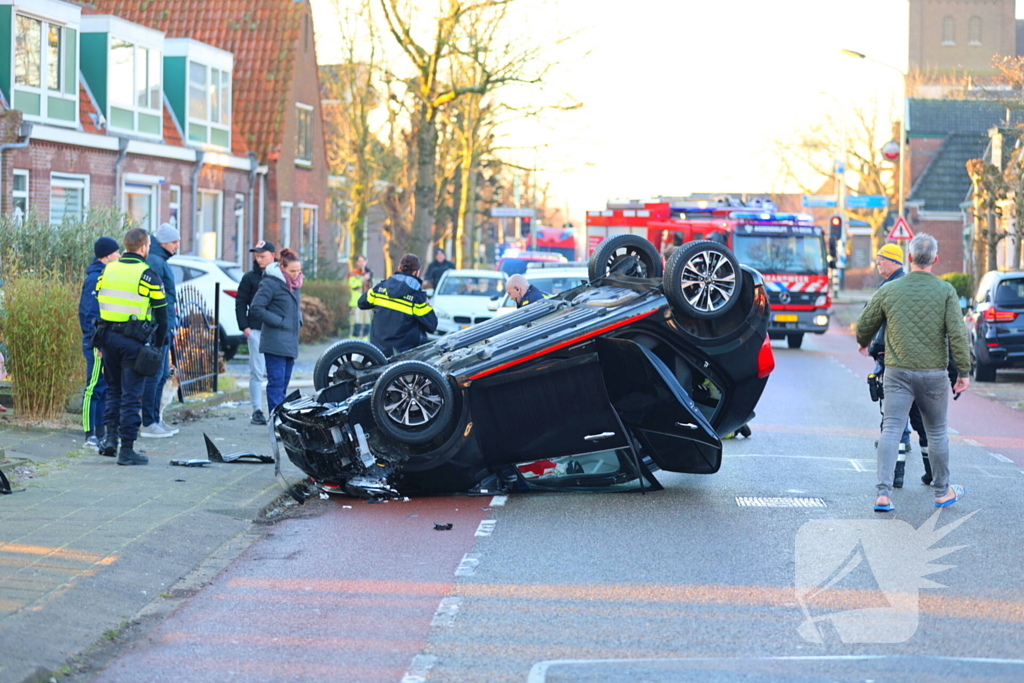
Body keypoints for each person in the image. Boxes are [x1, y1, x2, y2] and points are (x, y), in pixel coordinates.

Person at [855, 233, 971, 512]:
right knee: (937, 431)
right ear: (935, 259)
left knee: (892, 429)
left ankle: (883, 494)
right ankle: (942, 492)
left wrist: (863, 342)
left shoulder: (889, 290)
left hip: (897, 373)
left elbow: (863, 326)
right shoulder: (945, 292)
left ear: (909, 258)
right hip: (933, 375)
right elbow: (957, 334)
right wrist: (963, 372)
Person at [95, 228, 169, 466]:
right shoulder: (147, 275)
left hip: (107, 339)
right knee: (131, 396)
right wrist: (158, 344)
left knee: (113, 390)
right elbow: (162, 313)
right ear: (145, 246)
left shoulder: (107, 270)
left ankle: (110, 440)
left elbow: (99, 295)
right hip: (133, 342)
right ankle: (127, 450)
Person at [867, 243, 932, 488]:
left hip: (894, 363)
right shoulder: (916, 287)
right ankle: (931, 472)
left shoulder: (890, 287)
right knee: (919, 420)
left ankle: (897, 475)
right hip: (922, 364)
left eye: (879, 259)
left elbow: (881, 325)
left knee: (894, 421)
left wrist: (874, 348)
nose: (877, 264)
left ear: (893, 260)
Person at [249, 248, 303, 417]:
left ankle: (282, 419)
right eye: (292, 271)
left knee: (284, 384)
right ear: (282, 268)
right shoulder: (271, 283)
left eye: (298, 270)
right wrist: (278, 321)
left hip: (290, 340)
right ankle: (277, 422)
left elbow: (293, 307)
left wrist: (299, 319)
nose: (296, 274)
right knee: (276, 383)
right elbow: (256, 308)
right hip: (275, 341)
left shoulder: (296, 284)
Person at [79, 236, 120, 452]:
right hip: (97, 342)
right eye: (116, 252)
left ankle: (101, 432)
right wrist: (97, 343)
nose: (119, 256)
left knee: (104, 388)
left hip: (104, 341)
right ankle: (90, 434)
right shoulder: (95, 280)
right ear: (106, 256)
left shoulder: (105, 276)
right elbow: (89, 314)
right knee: (93, 387)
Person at [140, 224, 180, 438]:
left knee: (162, 373)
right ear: (164, 242)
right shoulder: (156, 261)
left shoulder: (159, 259)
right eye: (174, 242)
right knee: (155, 375)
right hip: (159, 326)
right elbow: (158, 297)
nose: (177, 246)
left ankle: (155, 419)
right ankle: (149, 421)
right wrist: (162, 325)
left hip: (164, 325)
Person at [359, 253, 437, 357]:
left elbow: (361, 303)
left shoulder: (380, 288)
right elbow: (432, 325)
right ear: (416, 272)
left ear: (399, 268)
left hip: (377, 354)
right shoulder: (417, 297)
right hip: (405, 358)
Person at [235, 240, 277, 425]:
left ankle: (276, 410)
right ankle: (257, 410)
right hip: (256, 330)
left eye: (263, 256)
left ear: (272, 256)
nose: (259, 260)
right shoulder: (250, 278)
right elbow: (240, 303)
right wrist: (245, 327)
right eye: (257, 256)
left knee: (275, 373)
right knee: (257, 371)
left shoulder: (279, 277)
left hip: (275, 331)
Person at [347, 254, 372, 338]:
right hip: (356, 303)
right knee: (356, 326)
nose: (361, 263)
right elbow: (352, 285)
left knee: (366, 325)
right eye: (359, 261)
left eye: (363, 261)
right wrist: (363, 279)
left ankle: (364, 346)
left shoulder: (369, 274)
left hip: (367, 303)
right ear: (357, 263)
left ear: (366, 262)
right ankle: (353, 345)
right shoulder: (353, 273)